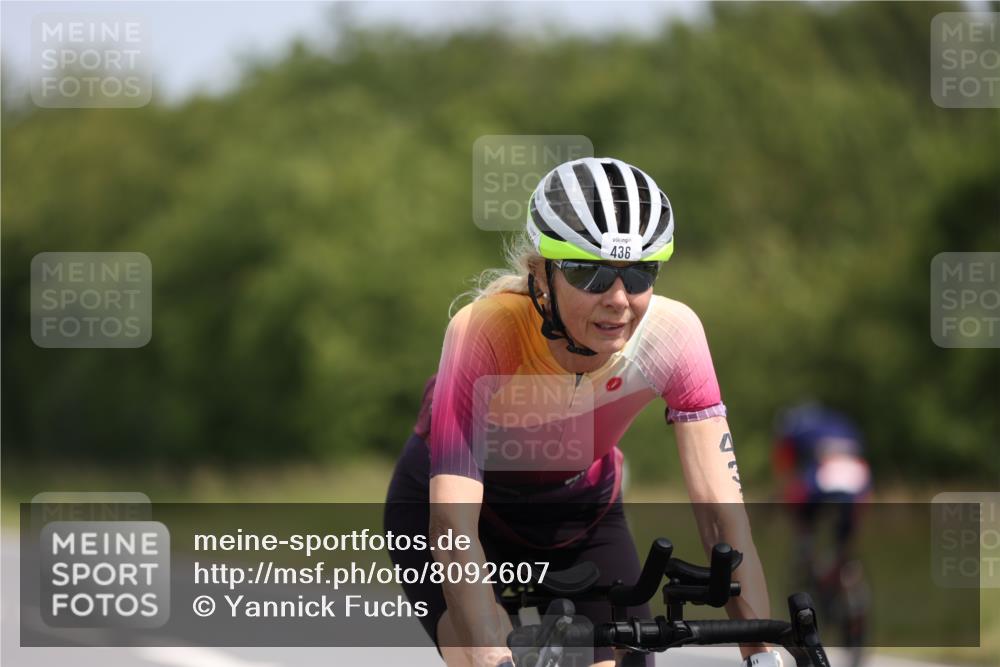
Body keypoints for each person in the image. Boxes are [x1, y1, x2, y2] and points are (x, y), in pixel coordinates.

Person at [385, 157, 781, 667]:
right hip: (455, 511)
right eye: (589, 273)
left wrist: (761, 655)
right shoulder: (485, 330)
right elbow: (452, 527)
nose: (618, 299)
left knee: (631, 655)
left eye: (639, 273)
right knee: (476, 650)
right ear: (542, 276)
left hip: (577, 512)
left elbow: (724, 520)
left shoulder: (674, 336)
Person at [772, 403, 872, 582]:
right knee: (846, 528)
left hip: (825, 475)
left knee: (803, 512)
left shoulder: (795, 428)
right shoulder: (842, 422)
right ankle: (845, 563)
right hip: (857, 474)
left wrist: (784, 495)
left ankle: (807, 549)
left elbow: (785, 466)